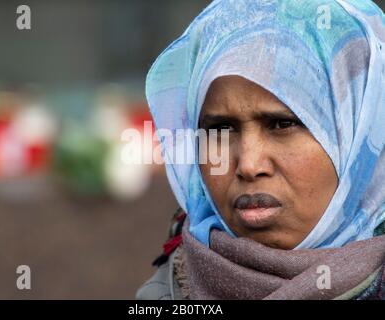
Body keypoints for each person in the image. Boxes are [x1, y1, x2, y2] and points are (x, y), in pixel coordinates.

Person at [137, 0, 385, 300]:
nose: (249, 165)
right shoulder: (166, 294)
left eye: (282, 124)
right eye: (221, 129)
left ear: (361, 133)